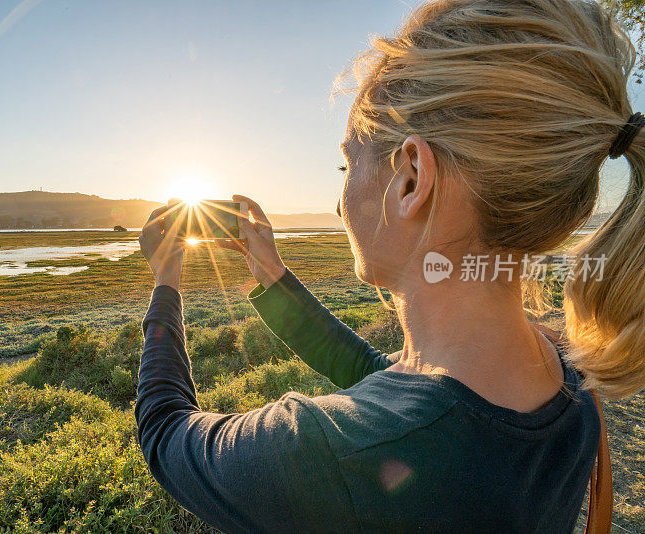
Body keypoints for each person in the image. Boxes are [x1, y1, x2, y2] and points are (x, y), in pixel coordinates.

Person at [135, 0, 645, 531]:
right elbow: (392, 385)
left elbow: (164, 431)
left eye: (346, 163)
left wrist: (166, 281)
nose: (338, 204)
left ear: (410, 179)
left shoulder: (324, 454)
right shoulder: (568, 374)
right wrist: (272, 273)